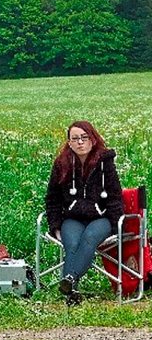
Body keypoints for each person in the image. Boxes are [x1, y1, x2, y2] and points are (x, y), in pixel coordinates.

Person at [44, 121, 123, 305]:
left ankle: (69, 280)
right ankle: (72, 289)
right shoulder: (61, 164)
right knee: (71, 242)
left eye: (84, 138)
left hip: (101, 218)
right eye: (75, 139)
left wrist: (115, 225)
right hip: (73, 218)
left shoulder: (105, 163)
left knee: (89, 237)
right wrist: (55, 227)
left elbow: (114, 197)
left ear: (92, 139)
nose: (80, 142)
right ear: (69, 143)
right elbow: (52, 199)